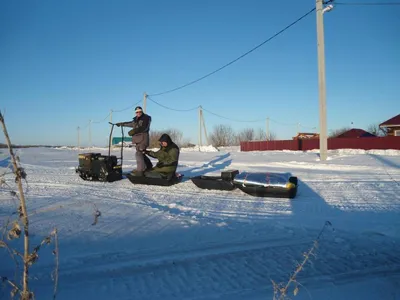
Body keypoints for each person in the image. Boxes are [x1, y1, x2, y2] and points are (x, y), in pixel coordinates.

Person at [116, 106, 152, 176]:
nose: (138, 113)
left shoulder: (146, 118)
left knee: (139, 154)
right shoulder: (135, 119)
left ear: (142, 111)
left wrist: (135, 130)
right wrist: (121, 124)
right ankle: (148, 166)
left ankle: (140, 171)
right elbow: (130, 123)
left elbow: (144, 127)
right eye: (137, 112)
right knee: (142, 154)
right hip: (138, 140)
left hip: (143, 139)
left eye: (139, 112)